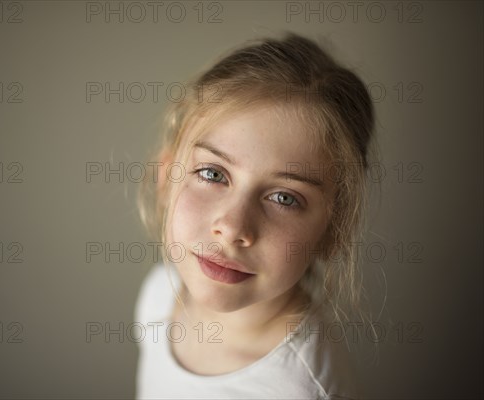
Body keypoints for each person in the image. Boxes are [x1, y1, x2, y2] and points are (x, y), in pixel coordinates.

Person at [135, 32, 375, 399]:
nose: (232, 228)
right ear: (166, 178)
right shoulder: (157, 299)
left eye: (283, 197)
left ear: (333, 230)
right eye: (213, 174)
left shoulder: (300, 388)